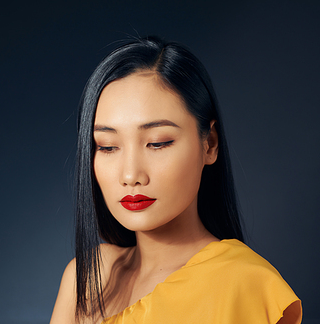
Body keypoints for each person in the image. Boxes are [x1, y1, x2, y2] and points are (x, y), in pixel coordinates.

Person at [50, 36, 302, 324]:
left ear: (209, 145)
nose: (131, 175)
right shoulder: (87, 276)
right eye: (107, 146)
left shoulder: (246, 284)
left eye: (158, 143)